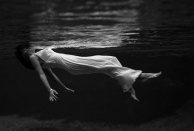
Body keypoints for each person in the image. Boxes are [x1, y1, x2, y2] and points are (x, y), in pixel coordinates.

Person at [15, 43, 161, 102]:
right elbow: (43, 74)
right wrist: (49, 90)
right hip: (72, 64)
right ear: (26, 52)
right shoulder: (34, 57)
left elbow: (52, 74)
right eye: (29, 47)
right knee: (106, 65)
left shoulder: (37, 56)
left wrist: (63, 87)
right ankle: (142, 77)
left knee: (110, 59)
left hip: (72, 61)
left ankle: (129, 86)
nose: (32, 46)